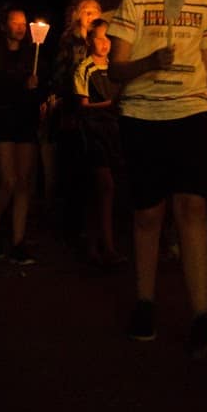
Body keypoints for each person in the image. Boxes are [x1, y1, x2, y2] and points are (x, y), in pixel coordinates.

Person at [108, 0, 207, 357]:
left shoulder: (200, 3)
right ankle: (145, 302)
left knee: (193, 208)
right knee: (148, 214)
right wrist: (148, 63)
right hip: (142, 116)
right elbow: (114, 69)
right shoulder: (134, 2)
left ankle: (202, 314)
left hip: (191, 112)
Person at [0, 5, 44, 265]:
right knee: (9, 180)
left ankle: (18, 242)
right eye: (15, 22)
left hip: (25, 121)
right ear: (4, 26)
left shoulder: (33, 55)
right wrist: (21, 86)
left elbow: (39, 91)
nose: (20, 26)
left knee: (24, 182)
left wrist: (36, 89)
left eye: (23, 22)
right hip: (2, 120)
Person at [49, 0, 103, 254]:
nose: (92, 15)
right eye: (88, 11)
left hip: (98, 110)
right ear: (79, 15)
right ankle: (71, 227)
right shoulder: (69, 41)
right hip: (74, 109)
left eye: (96, 11)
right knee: (73, 169)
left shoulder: (101, 40)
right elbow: (61, 73)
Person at [74, 17, 126, 268]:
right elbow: (82, 107)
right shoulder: (84, 69)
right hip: (94, 133)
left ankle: (96, 244)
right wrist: (110, 105)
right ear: (89, 40)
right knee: (103, 187)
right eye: (100, 38)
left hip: (116, 133)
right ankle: (106, 247)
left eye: (109, 38)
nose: (105, 43)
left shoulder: (117, 67)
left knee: (106, 192)